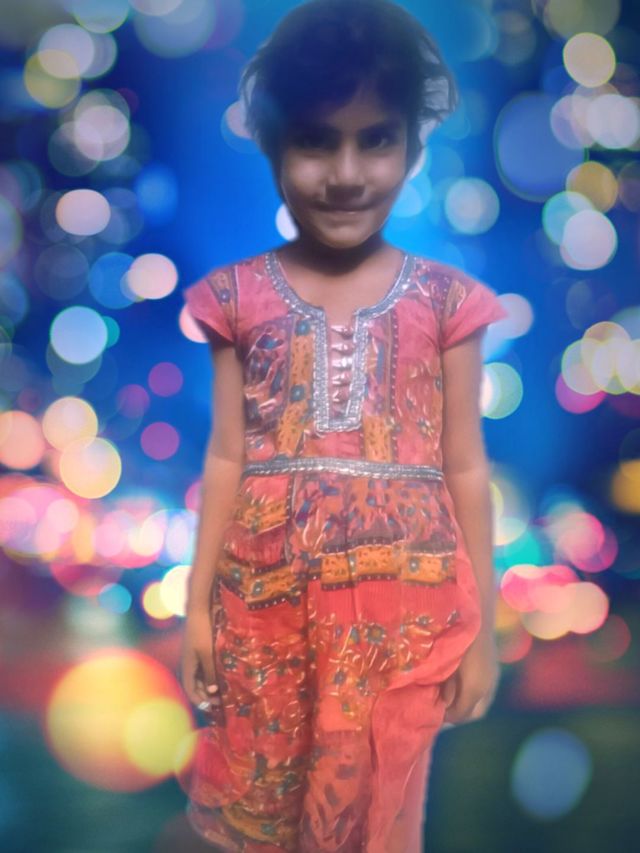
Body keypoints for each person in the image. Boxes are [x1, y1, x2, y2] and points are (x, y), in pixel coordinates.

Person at [180, 1, 508, 850]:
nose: (347, 173)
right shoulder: (234, 298)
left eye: (378, 140)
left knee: (376, 822)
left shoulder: (448, 302)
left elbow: (465, 467)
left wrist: (484, 632)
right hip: (263, 612)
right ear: (271, 145)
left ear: (414, 148)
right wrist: (198, 608)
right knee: (263, 820)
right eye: (316, 141)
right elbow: (227, 455)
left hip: (405, 619)